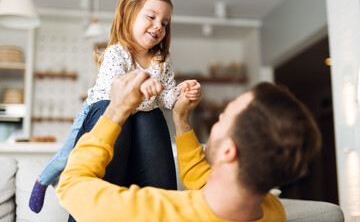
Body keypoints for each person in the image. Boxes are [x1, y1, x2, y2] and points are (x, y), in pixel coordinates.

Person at [56, 70, 322, 222]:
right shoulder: (269, 210)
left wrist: (116, 109)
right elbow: (203, 179)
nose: (217, 121)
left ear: (230, 151)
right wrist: (181, 119)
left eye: (223, 118)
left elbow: (70, 185)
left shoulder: (154, 213)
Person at [29, 0, 200, 213]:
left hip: (141, 115)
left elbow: (165, 98)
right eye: (151, 17)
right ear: (129, 16)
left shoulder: (162, 60)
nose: (159, 26)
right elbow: (115, 89)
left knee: (150, 118)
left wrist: (181, 92)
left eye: (165, 23)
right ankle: (42, 181)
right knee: (66, 155)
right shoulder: (117, 52)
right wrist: (141, 82)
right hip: (99, 110)